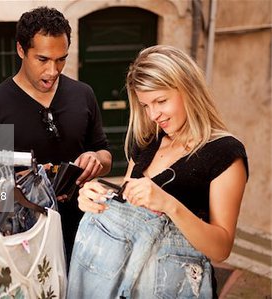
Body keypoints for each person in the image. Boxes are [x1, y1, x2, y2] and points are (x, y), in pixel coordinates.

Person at [67, 45, 248, 298]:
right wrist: (96, 199)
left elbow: (221, 249)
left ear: (189, 89)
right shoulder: (145, 143)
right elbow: (130, 209)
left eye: (161, 101)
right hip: (124, 283)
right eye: (145, 105)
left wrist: (169, 204)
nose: (153, 114)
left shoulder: (225, 152)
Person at [0, 6, 112, 264]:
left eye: (61, 59)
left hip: (81, 231)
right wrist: (33, 186)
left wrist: (96, 159)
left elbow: (104, 153)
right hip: (22, 238)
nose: (53, 71)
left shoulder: (84, 94)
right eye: (43, 60)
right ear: (21, 50)